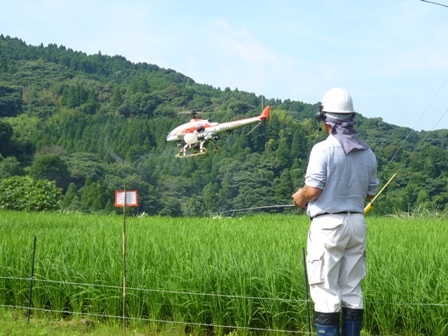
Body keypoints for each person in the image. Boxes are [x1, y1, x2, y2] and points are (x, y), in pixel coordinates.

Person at [291, 87, 379, 336]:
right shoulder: (368, 153)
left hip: (328, 225)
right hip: (356, 224)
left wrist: (299, 197)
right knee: (351, 289)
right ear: (351, 119)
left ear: (325, 120)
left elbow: (313, 190)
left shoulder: (322, 149)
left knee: (325, 290)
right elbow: (371, 194)